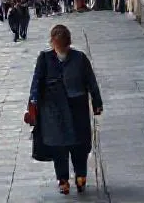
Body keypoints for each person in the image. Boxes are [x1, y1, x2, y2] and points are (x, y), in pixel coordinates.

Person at [28, 24, 102, 196]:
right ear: (53, 42)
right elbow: (36, 82)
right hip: (53, 110)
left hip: (77, 107)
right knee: (58, 148)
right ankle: (63, 180)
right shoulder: (45, 58)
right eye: (57, 41)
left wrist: (97, 102)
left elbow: (91, 81)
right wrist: (33, 103)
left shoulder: (80, 58)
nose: (60, 45)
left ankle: (80, 176)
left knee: (79, 145)